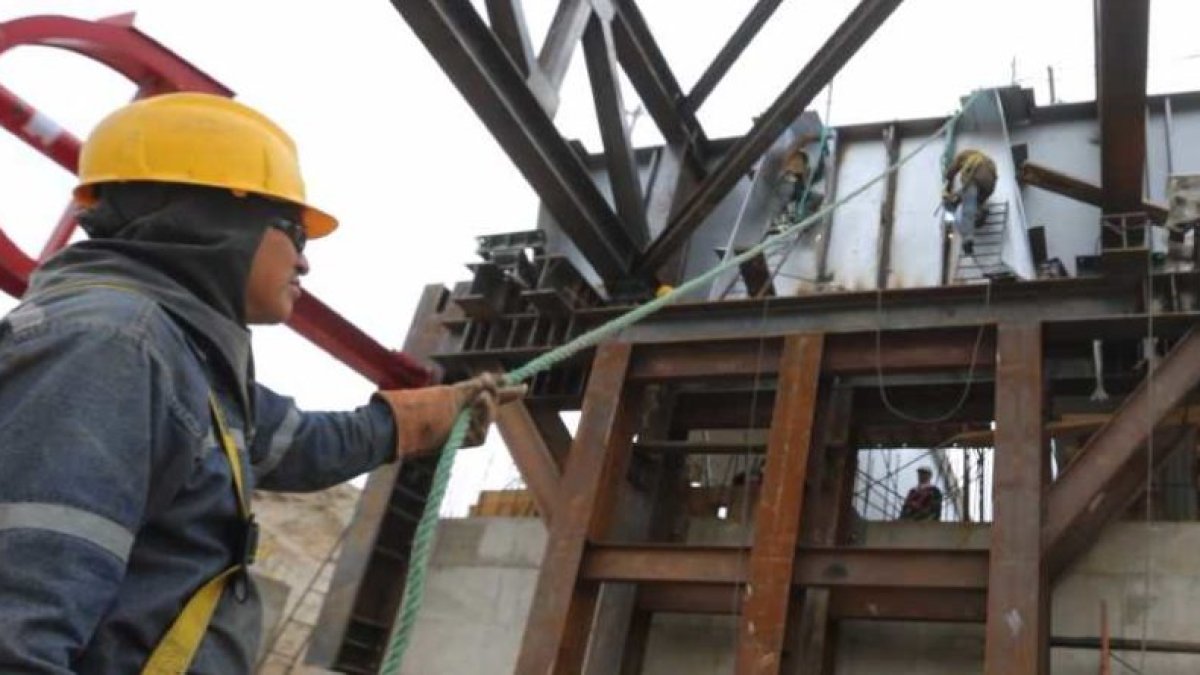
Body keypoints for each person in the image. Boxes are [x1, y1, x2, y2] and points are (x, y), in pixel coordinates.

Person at [0, 92, 524, 673]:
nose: (304, 263)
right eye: (294, 233)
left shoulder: (182, 361)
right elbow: (19, 616)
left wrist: (427, 416)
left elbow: (299, 447)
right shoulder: (114, 347)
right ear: (219, 220)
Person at [942, 148, 997, 254]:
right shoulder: (982, 158)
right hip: (990, 183)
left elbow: (952, 170)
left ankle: (968, 241)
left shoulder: (965, 157)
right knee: (976, 200)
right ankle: (982, 211)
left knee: (968, 206)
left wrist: (948, 180)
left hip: (976, 173)